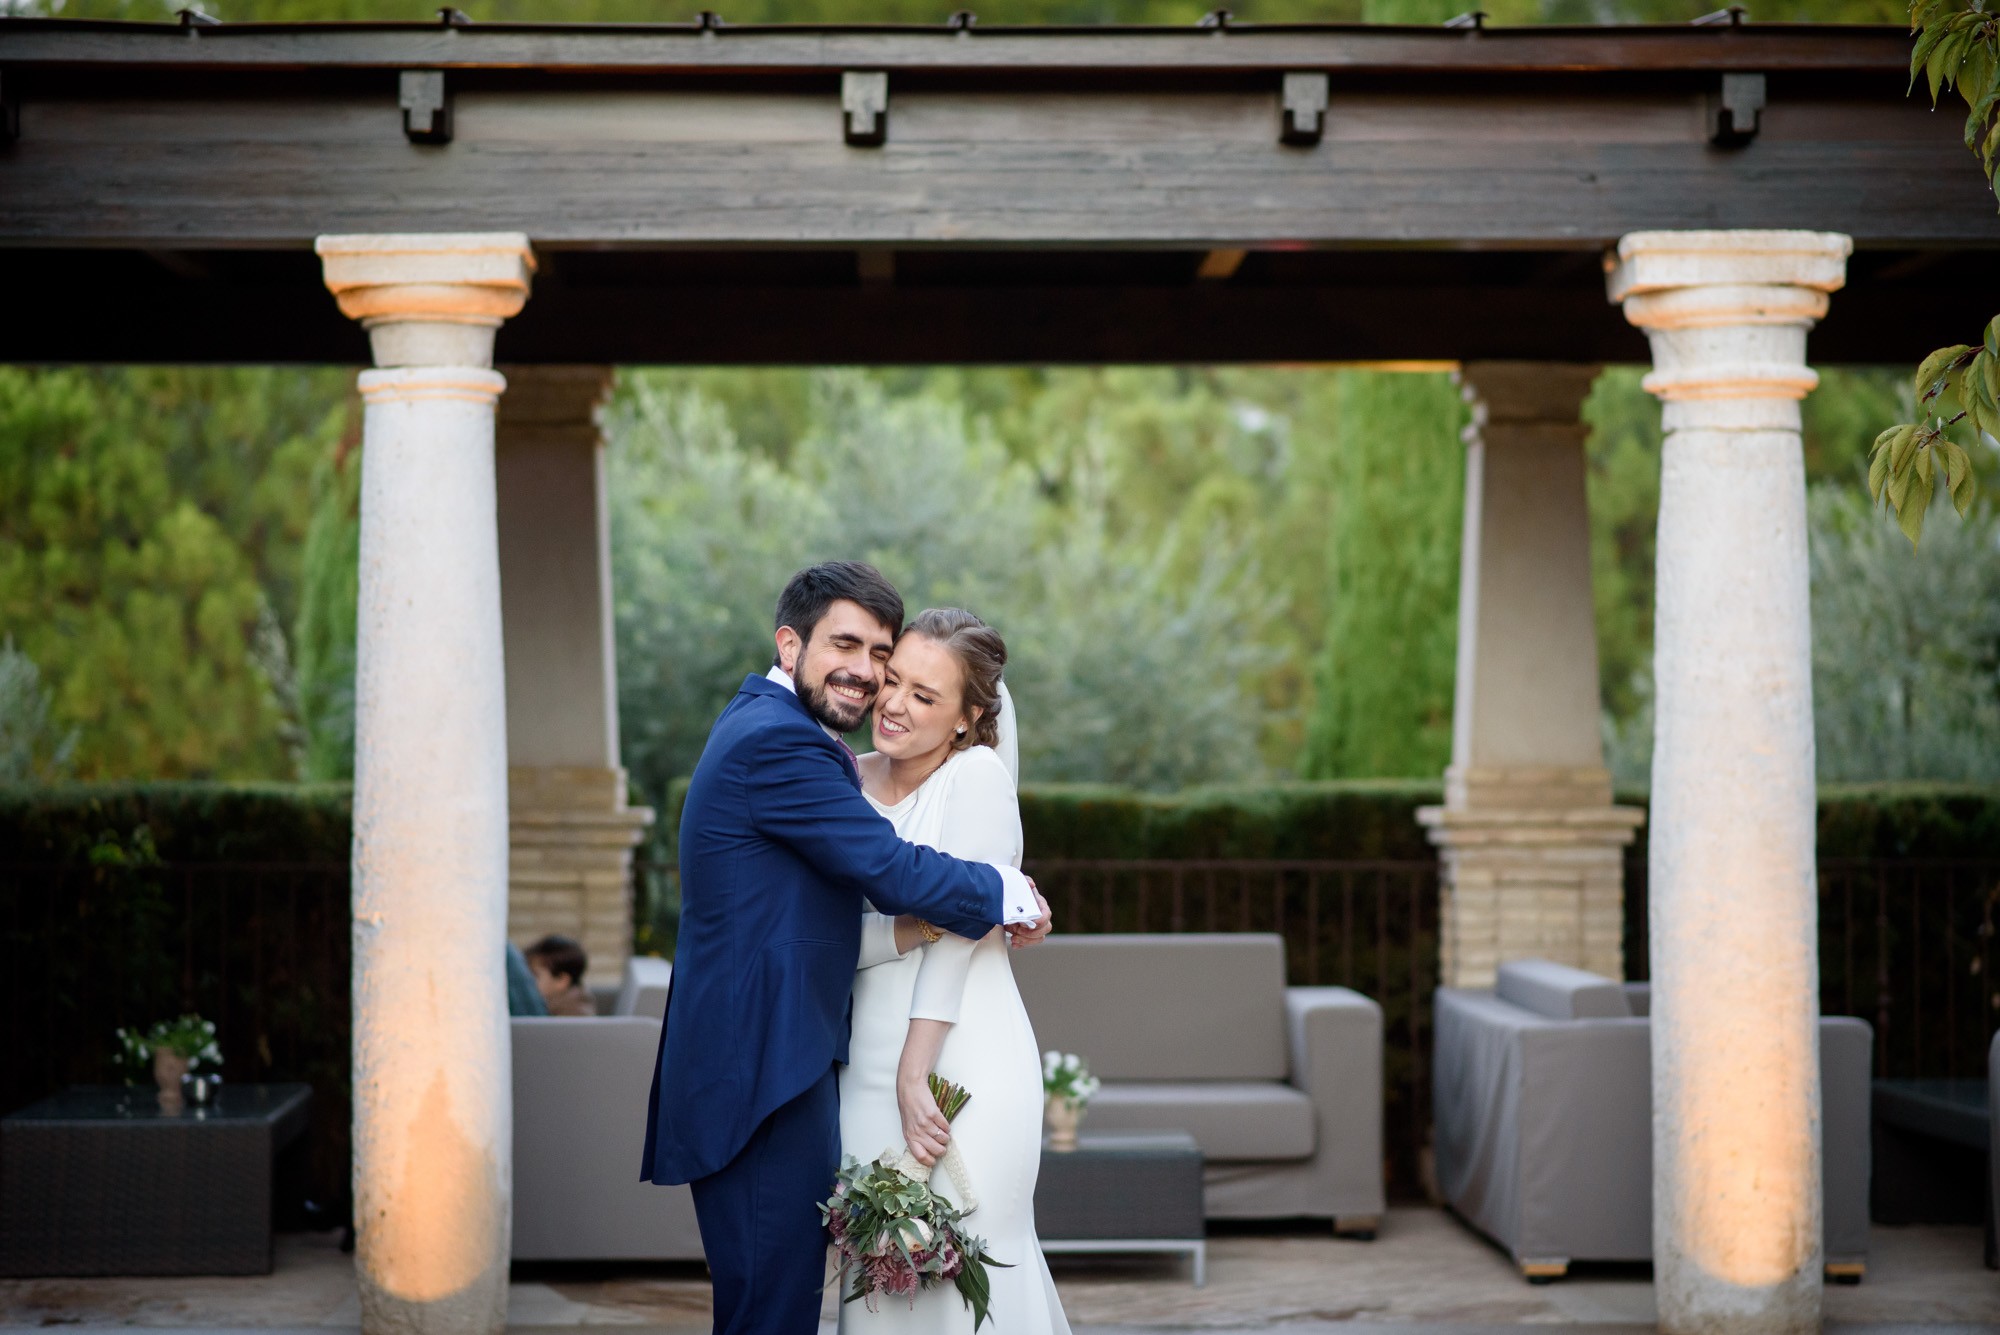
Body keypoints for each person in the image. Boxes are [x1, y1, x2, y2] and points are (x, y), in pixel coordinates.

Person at [640, 562, 1053, 1335]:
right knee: (774, 1310)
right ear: (789, 643)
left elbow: (817, 926)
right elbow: (893, 870)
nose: (869, 677)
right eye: (848, 647)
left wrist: (943, 919)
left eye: (881, 654)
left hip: (785, 1064)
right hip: (763, 1073)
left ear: (966, 716)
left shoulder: (772, 727)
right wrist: (1006, 892)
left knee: (786, 1303)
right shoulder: (782, 743)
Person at [843, 609, 1070, 1335]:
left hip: (965, 1055)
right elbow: (824, 941)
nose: (896, 704)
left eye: (926, 695)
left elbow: (961, 934)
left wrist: (917, 1071)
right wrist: (911, 925)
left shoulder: (975, 780)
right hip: (866, 1067)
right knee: (880, 1271)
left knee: (978, 1264)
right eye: (894, 679)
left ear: (970, 717)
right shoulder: (836, 779)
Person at [525, 935, 597, 1016]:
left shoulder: (574, 1013)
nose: (527, 981)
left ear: (562, 981)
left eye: (535, 975)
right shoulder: (551, 1004)